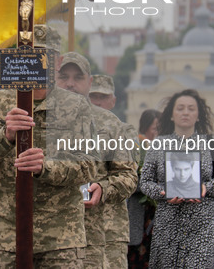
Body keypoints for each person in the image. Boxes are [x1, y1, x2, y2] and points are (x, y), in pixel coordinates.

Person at [0, 25, 98, 268]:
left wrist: (45, 167)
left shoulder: (76, 106)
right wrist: (5, 136)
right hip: (3, 234)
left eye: (46, 55)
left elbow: (89, 166)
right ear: (18, 58)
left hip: (60, 237)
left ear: (59, 62)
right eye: (31, 54)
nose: (38, 62)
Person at [57, 56, 138, 268]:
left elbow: (128, 175)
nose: (70, 83)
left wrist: (103, 188)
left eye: (78, 77)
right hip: (52, 234)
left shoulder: (109, 123)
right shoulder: (40, 119)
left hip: (101, 232)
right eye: (63, 77)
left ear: (88, 82)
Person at [140, 89, 214, 268]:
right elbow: (144, 182)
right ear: (172, 115)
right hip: (168, 224)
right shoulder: (158, 145)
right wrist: (163, 192)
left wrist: (206, 188)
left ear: (198, 115)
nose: (185, 112)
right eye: (180, 108)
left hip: (203, 225)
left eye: (191, 109)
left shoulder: (211, 144)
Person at [127, 109, 160, 269]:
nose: (158, 132)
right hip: (140, 213)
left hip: (157, 215)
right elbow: (128, 180)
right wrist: (150, 184)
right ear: (146, 127)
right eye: (155, 128)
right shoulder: (136, 146)